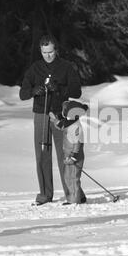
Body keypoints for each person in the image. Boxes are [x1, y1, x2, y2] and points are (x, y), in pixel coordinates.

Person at [19, 35, 82, 206]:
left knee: (66, 154)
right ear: (40, 50)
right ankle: (45, 194)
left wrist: (60, 89)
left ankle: (74, 194)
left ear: (56, 50)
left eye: (51, 52)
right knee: (42, 155)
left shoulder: (66, 67)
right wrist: (35, 90)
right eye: (44, 52)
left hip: (60, 115)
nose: (48, 55)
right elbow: (23, 94)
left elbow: (77, 92)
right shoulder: (35, 68)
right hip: (41, 114)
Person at [49, 100, 88, 205]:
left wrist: (74, 156)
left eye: (64, 111)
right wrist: (54, 119)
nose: (62, 112)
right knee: (67, 177)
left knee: (73, 178)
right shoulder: (69, 123)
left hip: (74, 157)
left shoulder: (76, 127)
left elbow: (77, 143)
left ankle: (74, 200)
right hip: (68, 156)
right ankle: (80, 197)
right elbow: (61, 125)